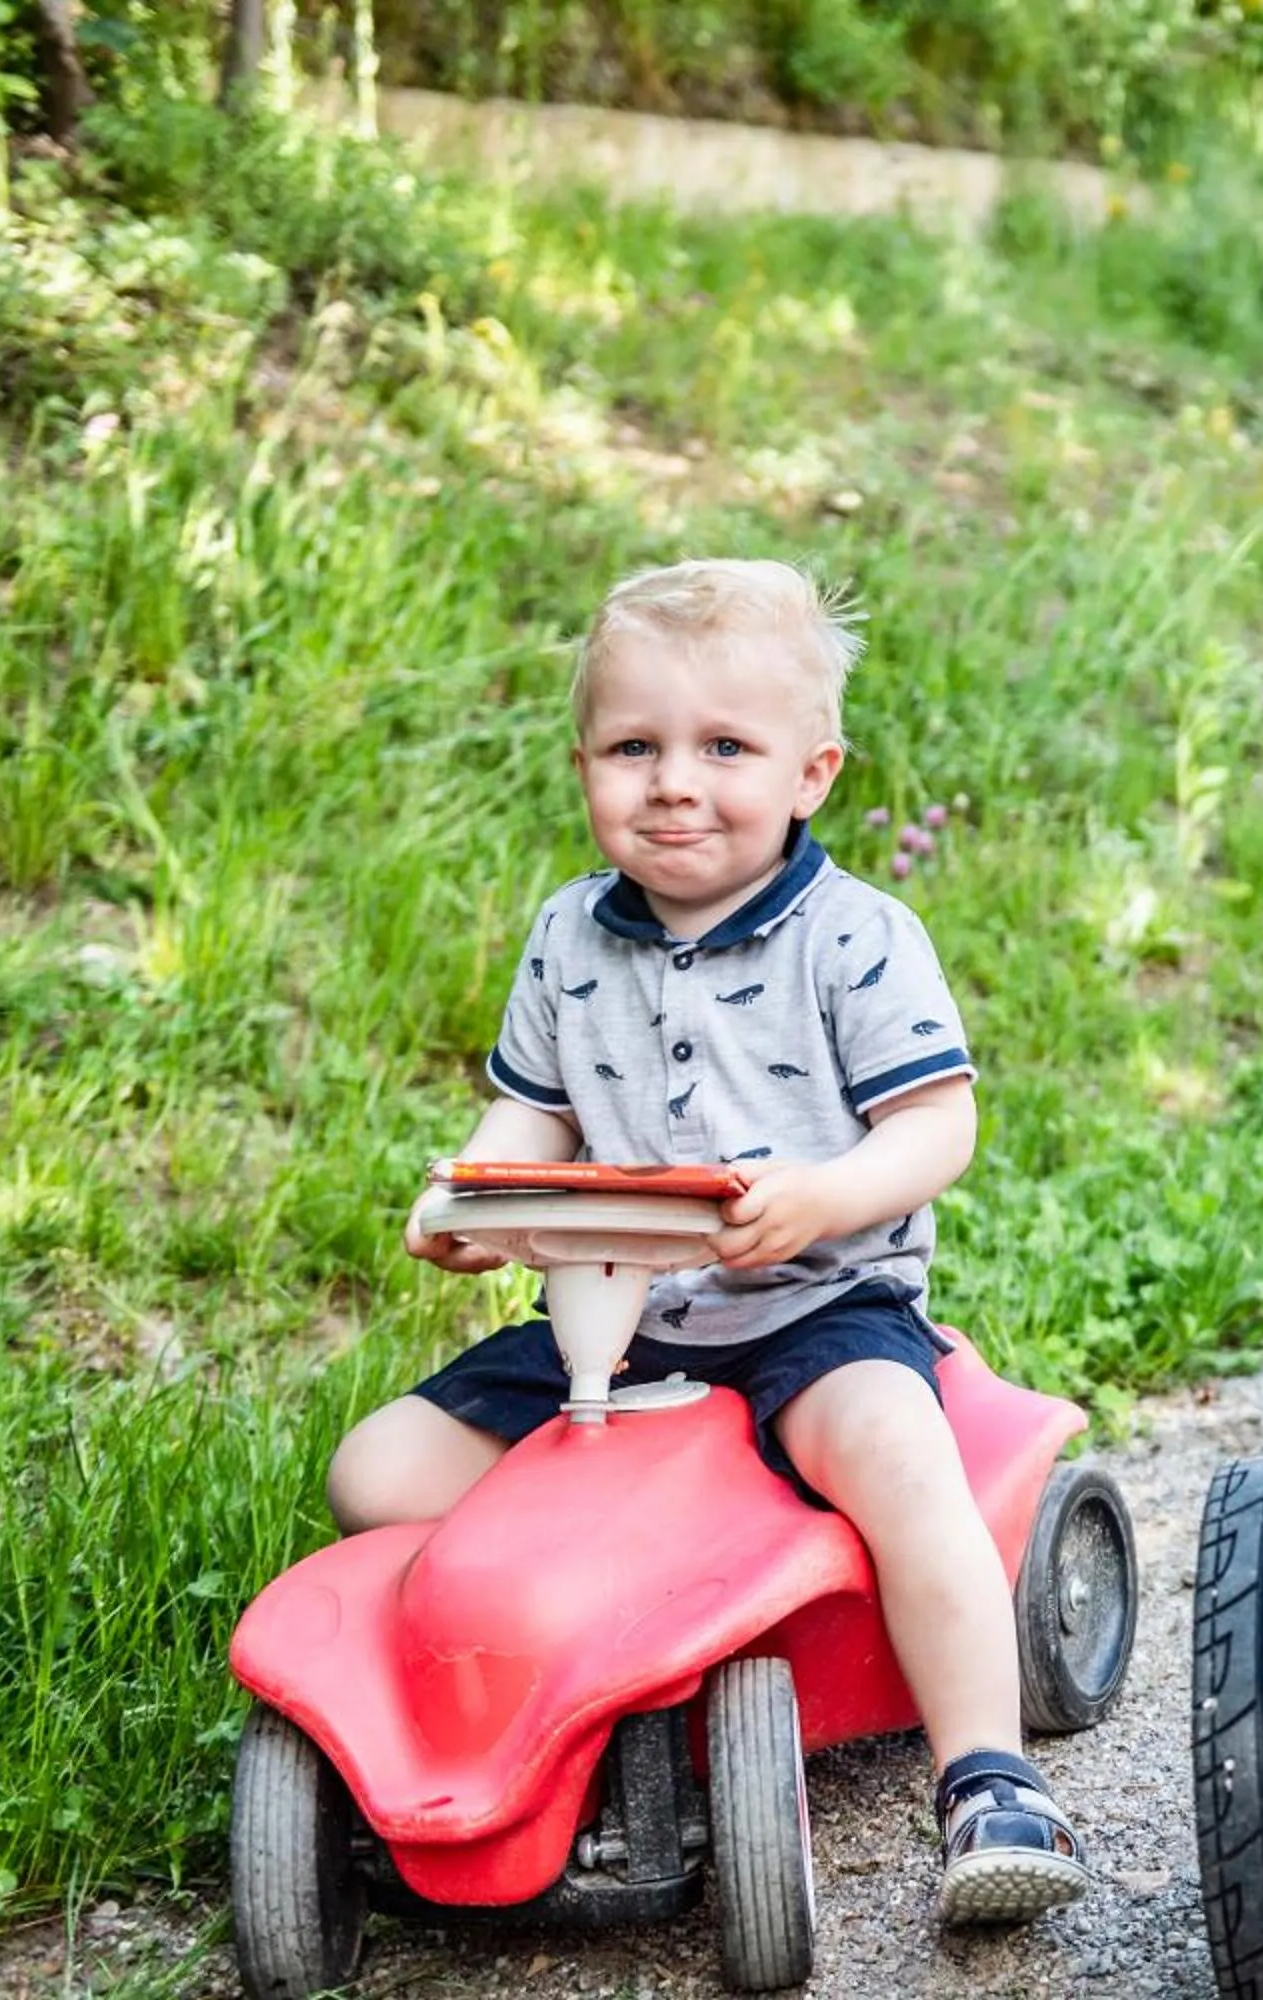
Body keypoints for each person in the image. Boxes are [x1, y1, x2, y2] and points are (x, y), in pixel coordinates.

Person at [326, 558, 1092, 1925]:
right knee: (377, 1473)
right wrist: (480, 1199)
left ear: (812, 772)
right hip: (619, 1327)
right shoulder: (572, 935)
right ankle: (513, 1704)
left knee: (901, 1466)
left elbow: (937, 1130)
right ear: (585, 768)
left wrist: (827, 1191)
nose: (674, 781)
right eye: (636, 748)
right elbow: (530, 1108)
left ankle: (989, 1777)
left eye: (724, 747)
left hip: (815, 1305)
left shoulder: (855, 940)